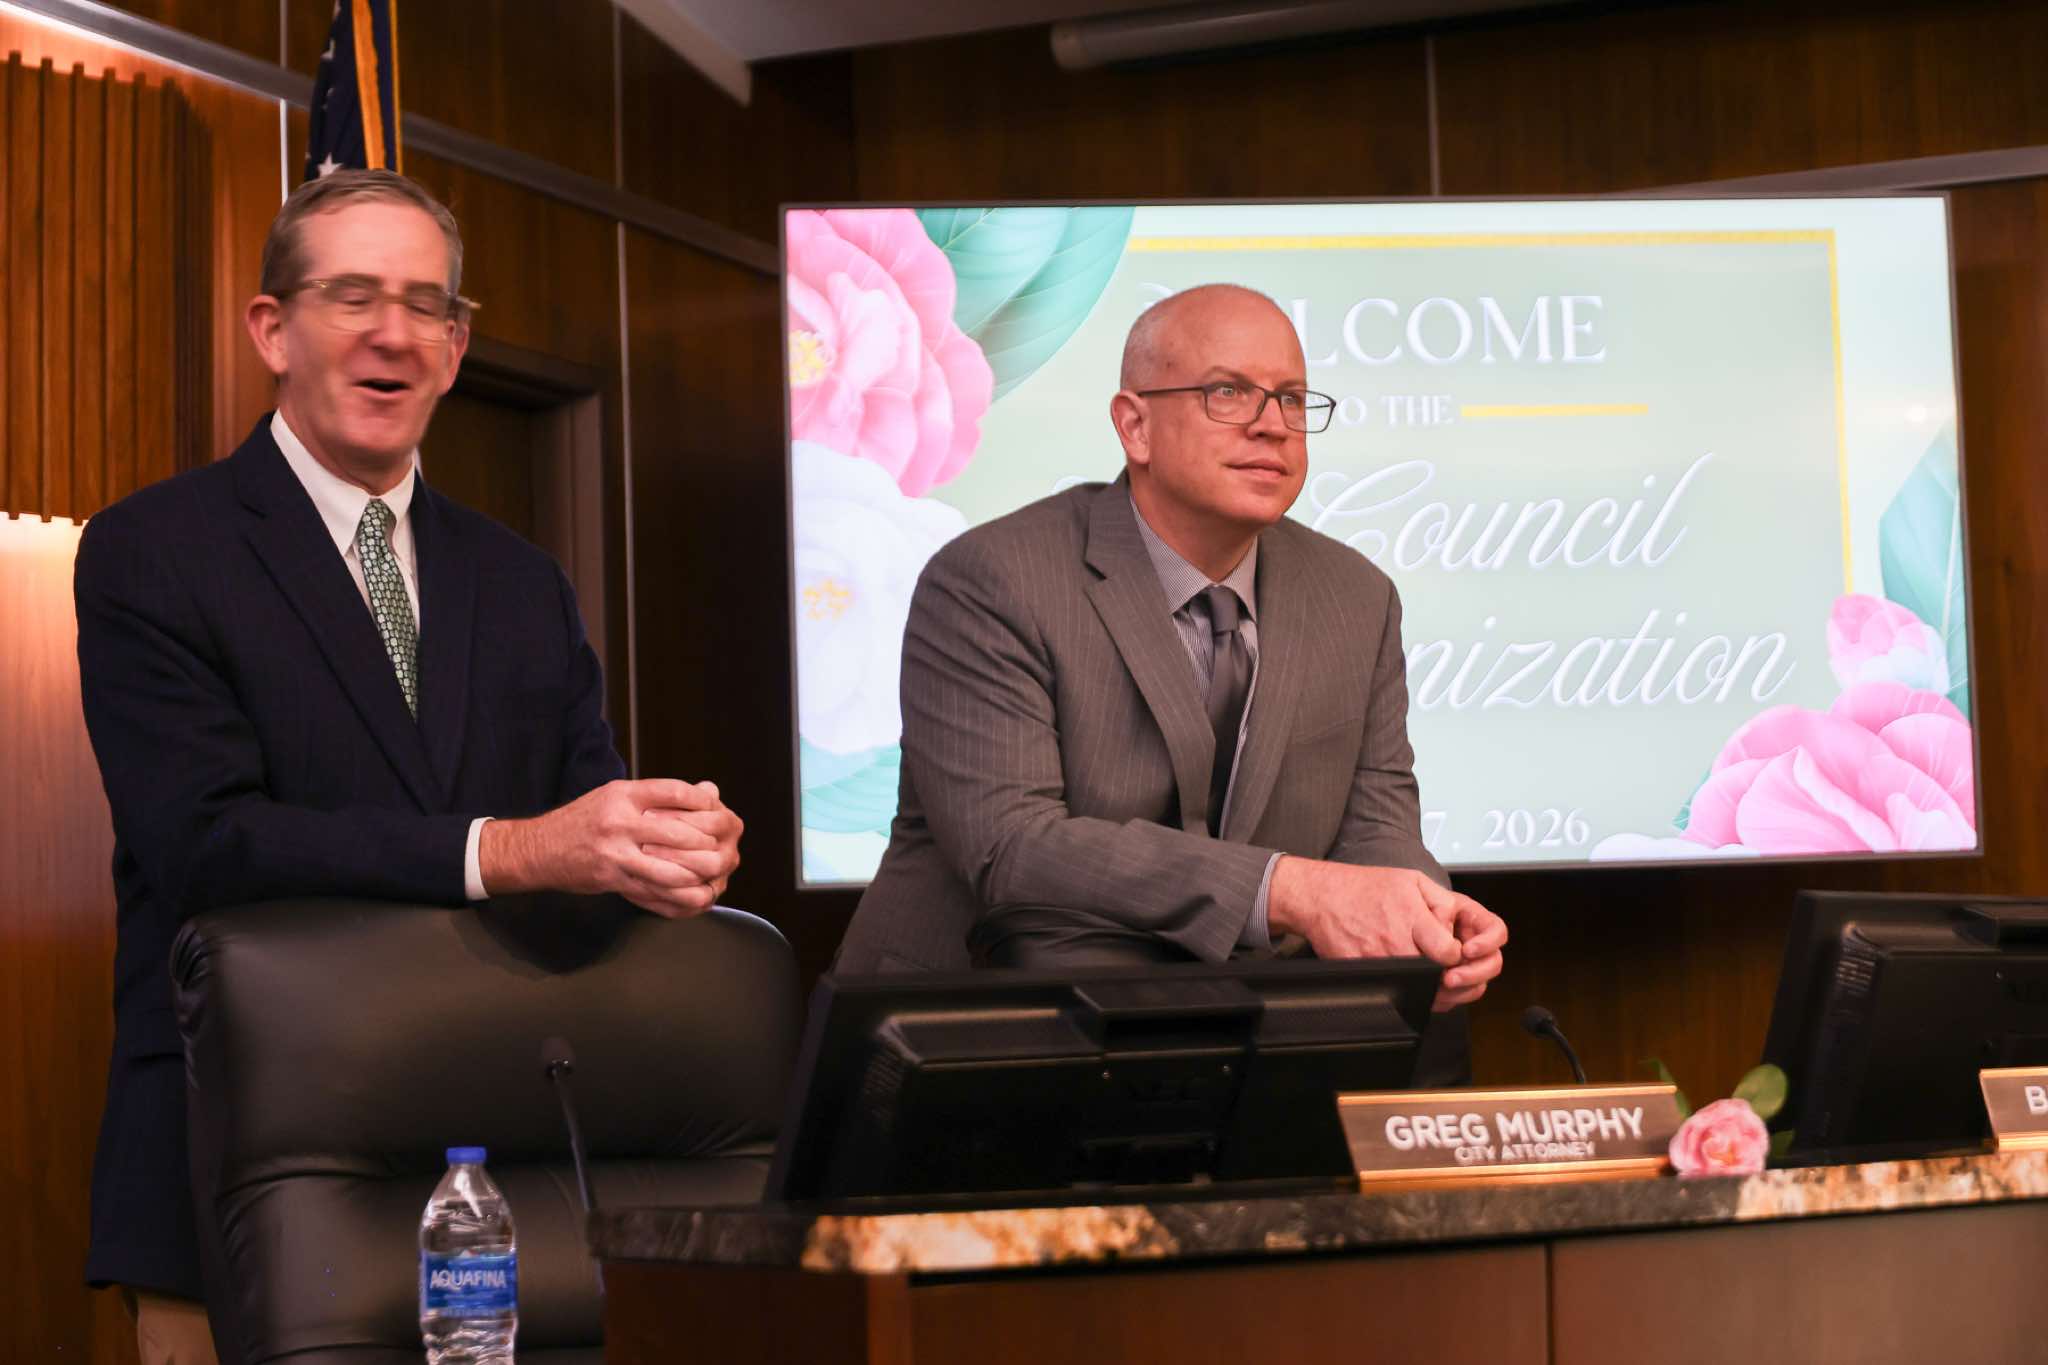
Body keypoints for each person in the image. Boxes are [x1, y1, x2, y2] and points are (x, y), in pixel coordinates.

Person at [73, 169, 742, 1364]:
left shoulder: (522, 583)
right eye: (352, 296)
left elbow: (581, 830)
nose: (392, 331)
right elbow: (206, 842)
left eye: (426, 304)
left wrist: (657, 849)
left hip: (498, 1179)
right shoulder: (153, 550)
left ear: (455, 346)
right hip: (236, 1171)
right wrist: (511, 850)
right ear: (271, 330)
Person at [835, 283, 1504, 1040]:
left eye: (1291, 399)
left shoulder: (1356, 596)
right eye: (1229, 392)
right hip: (974, 1026)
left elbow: (1377, 826)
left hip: (1237, 1027)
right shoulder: (993, 578)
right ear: (1135, 426)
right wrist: (1290, 889)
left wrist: (1427, 918)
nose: (1272, 425)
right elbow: (1014, 847)